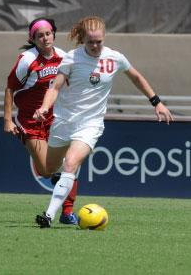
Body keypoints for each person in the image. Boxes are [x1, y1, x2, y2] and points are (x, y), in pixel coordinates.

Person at [35, 16, 174, 228]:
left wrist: (157, 102)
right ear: (83, 39)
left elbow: (136, 77)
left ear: (104, 38)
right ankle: (61, 179)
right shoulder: (72, 58)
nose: (95, 46)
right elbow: (55, 88)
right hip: (64, 121)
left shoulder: (115, 58)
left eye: (99, 41)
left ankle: (49, 215)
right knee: (47, 169)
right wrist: (45, 107)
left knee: (71, 163)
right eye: (90, 42)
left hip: (90, 124)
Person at [3, 17, 78, 225]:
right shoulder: (27, 59)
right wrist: (8, 120)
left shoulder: (64, 57)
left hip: (56, 119)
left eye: (48, 34)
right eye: (40, 35)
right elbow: (10, 87)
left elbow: (70, 86)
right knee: (46, 170)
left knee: (69, 163)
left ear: (53, 34)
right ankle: (58, 184)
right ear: (33, 39)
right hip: (30, 121)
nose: (45, 38)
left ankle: (67, 212)